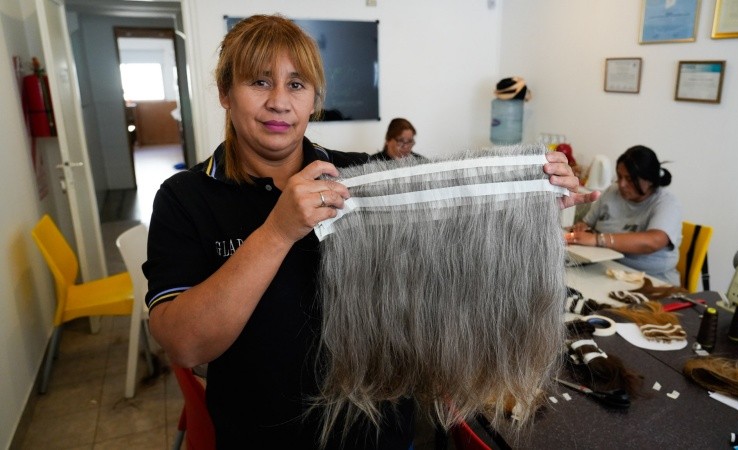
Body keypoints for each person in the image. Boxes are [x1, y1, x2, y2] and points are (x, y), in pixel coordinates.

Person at [143, 14, 597, 449]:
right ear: (225, 92)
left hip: (378, 432)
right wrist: (278, 232)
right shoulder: (186, 199)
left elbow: (443, 267)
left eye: (296, 84)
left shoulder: (360, 177)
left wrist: (522, 212)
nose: (279, 101)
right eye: (259, 81)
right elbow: (185, 345)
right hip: (261, 435)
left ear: (315, 99)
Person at [566, 145, 682, 285]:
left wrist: (597, 239)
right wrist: (581, 228)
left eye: (630, 179)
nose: (622, 184)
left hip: (651, 280)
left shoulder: (666, 203)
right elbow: (587, 224)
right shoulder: (612, 192)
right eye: (620, 176)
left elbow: (653, 241)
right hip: (606, 268)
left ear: (649, 180)